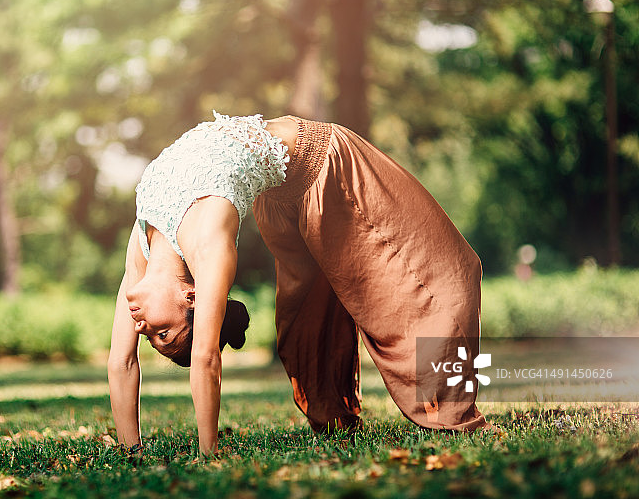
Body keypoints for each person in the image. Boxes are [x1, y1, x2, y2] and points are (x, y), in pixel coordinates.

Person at [107, 111, 490, 456]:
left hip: (326, 164)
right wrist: (131, 451)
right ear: (191, 296)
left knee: (445, 271)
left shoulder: (154, 249)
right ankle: (335, 417)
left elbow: (195, 359)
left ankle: (447, 408)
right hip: (282, 203)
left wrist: (207, 455)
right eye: (161, 333)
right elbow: (126, 362)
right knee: (308, 315)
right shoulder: (201, 257)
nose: (141, 328)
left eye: (159, 334)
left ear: (192, 296)